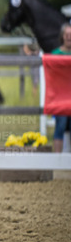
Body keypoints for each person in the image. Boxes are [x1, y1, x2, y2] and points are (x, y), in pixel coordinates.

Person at [50, 22, 71, 153]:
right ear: (62, 36)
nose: (69, 37)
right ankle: (56, 161)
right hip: (61, 99)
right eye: (67, 35)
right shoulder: (55, 54)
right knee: (60, 128)